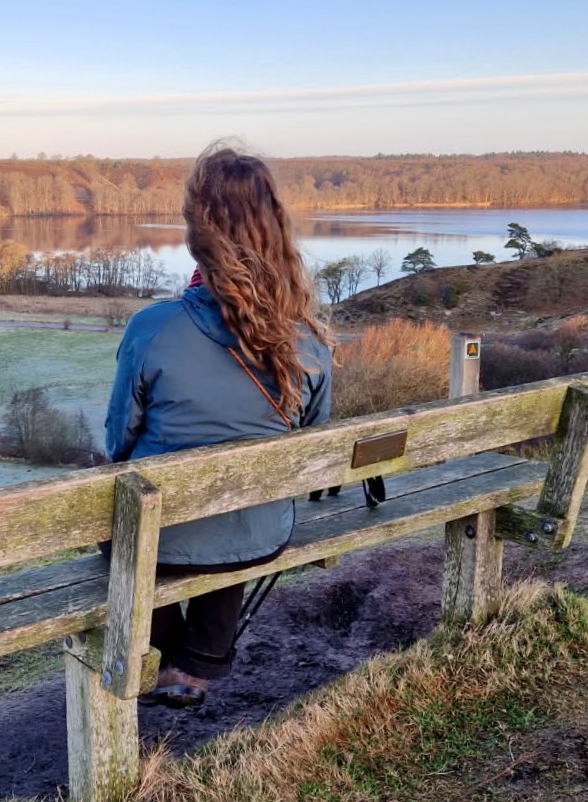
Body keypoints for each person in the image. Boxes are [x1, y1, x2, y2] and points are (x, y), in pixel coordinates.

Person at [104, 143, 333, 708]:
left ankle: (159, 654)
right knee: (238, 497)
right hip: (258, 535)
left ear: (196, 233)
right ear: (276, 229)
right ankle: (202, 657)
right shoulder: (307, 340)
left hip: (163, 539)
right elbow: (311, 438)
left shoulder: (153, 328)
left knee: (136, 515)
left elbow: (118, 440)